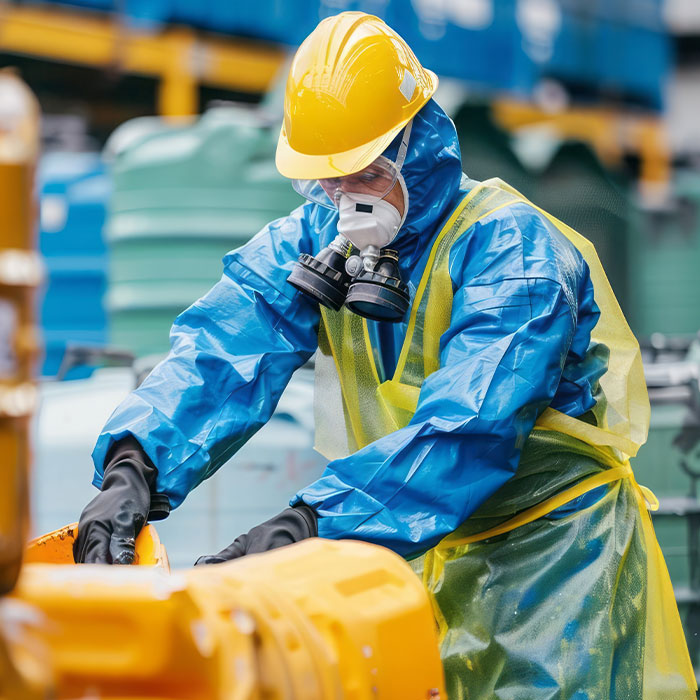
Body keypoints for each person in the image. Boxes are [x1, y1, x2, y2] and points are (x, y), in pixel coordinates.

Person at [74, 11, 695, 698]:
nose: (342, 199)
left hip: (554, 565)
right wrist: (133, 467)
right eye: (325, 179)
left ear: (415, 145)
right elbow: (225, 352)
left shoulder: (515, 255)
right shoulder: (317, 235)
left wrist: (309, 526)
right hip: (420, 550)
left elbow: (468, 431)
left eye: (362, 173)